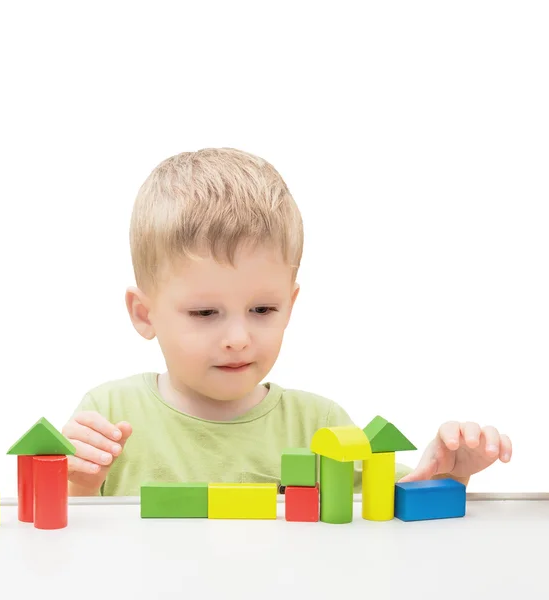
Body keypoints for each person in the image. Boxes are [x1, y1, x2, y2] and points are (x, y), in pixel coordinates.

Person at [62, 148, 512, 497]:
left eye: (262, 310)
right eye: (204, 313)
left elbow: (386, 524)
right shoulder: (109, 415)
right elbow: (63, 543)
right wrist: (77, 481)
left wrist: (450, 474)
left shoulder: (321, 425)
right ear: (144, 314)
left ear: (290, 306)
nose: (238, 339)